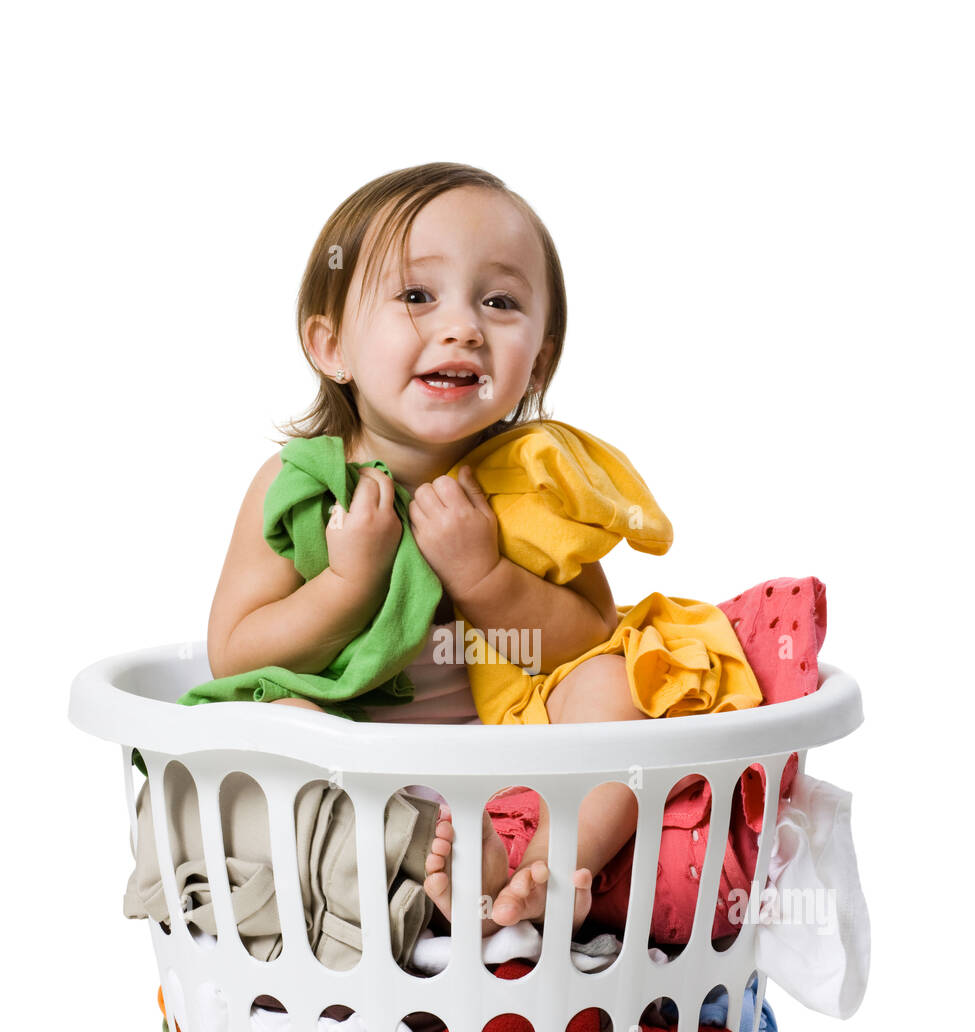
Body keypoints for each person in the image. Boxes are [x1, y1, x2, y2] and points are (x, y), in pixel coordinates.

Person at [205, 163, 681, 936]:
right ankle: (421, 889)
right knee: (272, 732)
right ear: (332, 346)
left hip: (506, 766)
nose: (462, 325)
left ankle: (546, 877)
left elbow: (585, 639)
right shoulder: (298, 486)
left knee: (617, 688)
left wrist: (483, 574)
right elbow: (232, 656)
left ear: (539, 362)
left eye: (499, 301)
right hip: (352, 774)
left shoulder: (532, 483)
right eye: (417, 296)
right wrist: (348, 581)